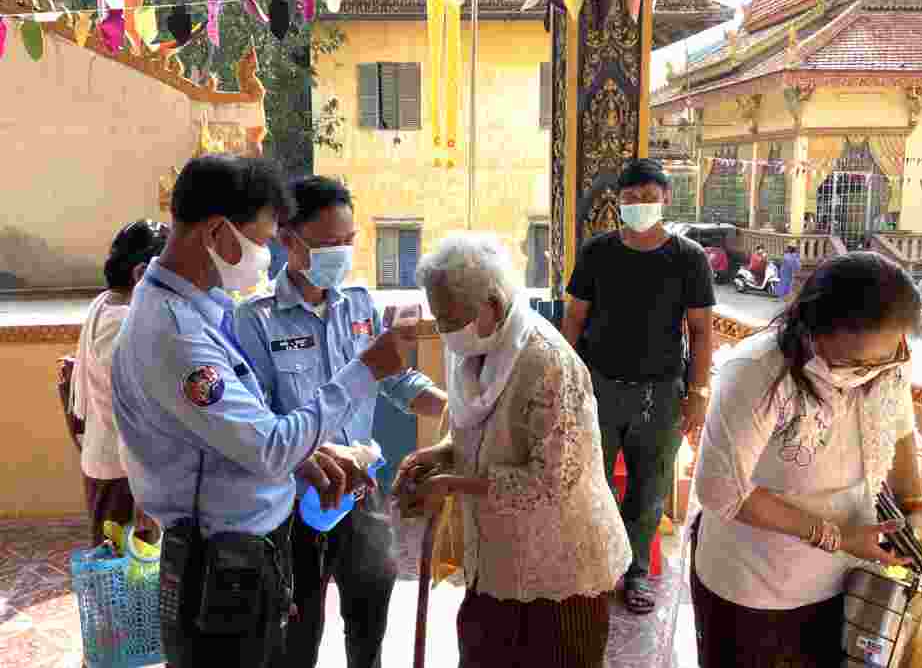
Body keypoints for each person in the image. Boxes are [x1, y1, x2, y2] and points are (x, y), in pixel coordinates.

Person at [111, 155, 418, 668]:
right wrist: (364, 370)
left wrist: (306, 457)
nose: (264, 254)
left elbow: (234, 434)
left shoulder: (201, 312)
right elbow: (269, 444)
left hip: (246, 555)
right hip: (220, 568)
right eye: (260, 239)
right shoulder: (179, 335)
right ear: (216, 233)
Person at [234, 176, 447, 668]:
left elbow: (393, 380)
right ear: (289, 241)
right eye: (329, 244)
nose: (342, 253)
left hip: (361, 490)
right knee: (296, 630)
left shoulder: (357, 303)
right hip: (294, 499)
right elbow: (257, 419)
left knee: (371, 607)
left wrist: (454, 407)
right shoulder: (255, 320)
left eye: (349, 242)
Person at [394, 233, 631, 668]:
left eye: (451, 319)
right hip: (496, 560)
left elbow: (550, 482)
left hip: (562, 568)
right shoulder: (472, 345)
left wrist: (449, 483)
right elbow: (479, 434)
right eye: (439, 318)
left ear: (493, 304)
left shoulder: (547, 362)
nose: (444, 331)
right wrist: (441, 455)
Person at [691, 252, 922, 667]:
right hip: (757, 585)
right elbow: (720, 490)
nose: (868, 373)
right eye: (852, 362)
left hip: (848, 583)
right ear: (812, 328)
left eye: (882, 360)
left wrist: (915, 505)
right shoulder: (756, 371)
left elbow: (900, 428)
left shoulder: (889, 362)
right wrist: (835, 536)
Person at [561, 158, 715, 615]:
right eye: (630, 198)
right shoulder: (597, 253)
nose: (640, 205)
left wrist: (698, 394)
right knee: (593, 481)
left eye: (649, 197)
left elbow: (702, 332)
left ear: (665, 199)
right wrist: (563, 382)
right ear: (618, 202)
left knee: (648, 491)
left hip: (662, 393)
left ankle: (635, 574)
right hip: (598, 387)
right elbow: (573, 319)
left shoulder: (689, 258)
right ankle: (597, 566)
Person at [74, 219, 169, 547]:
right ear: (140, 273)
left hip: (109, 461)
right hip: (124, 472)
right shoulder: (123, 323)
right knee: (128, 575)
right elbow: (130, 414)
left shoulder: (106, 302)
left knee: (120, 566)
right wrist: (144, 490)